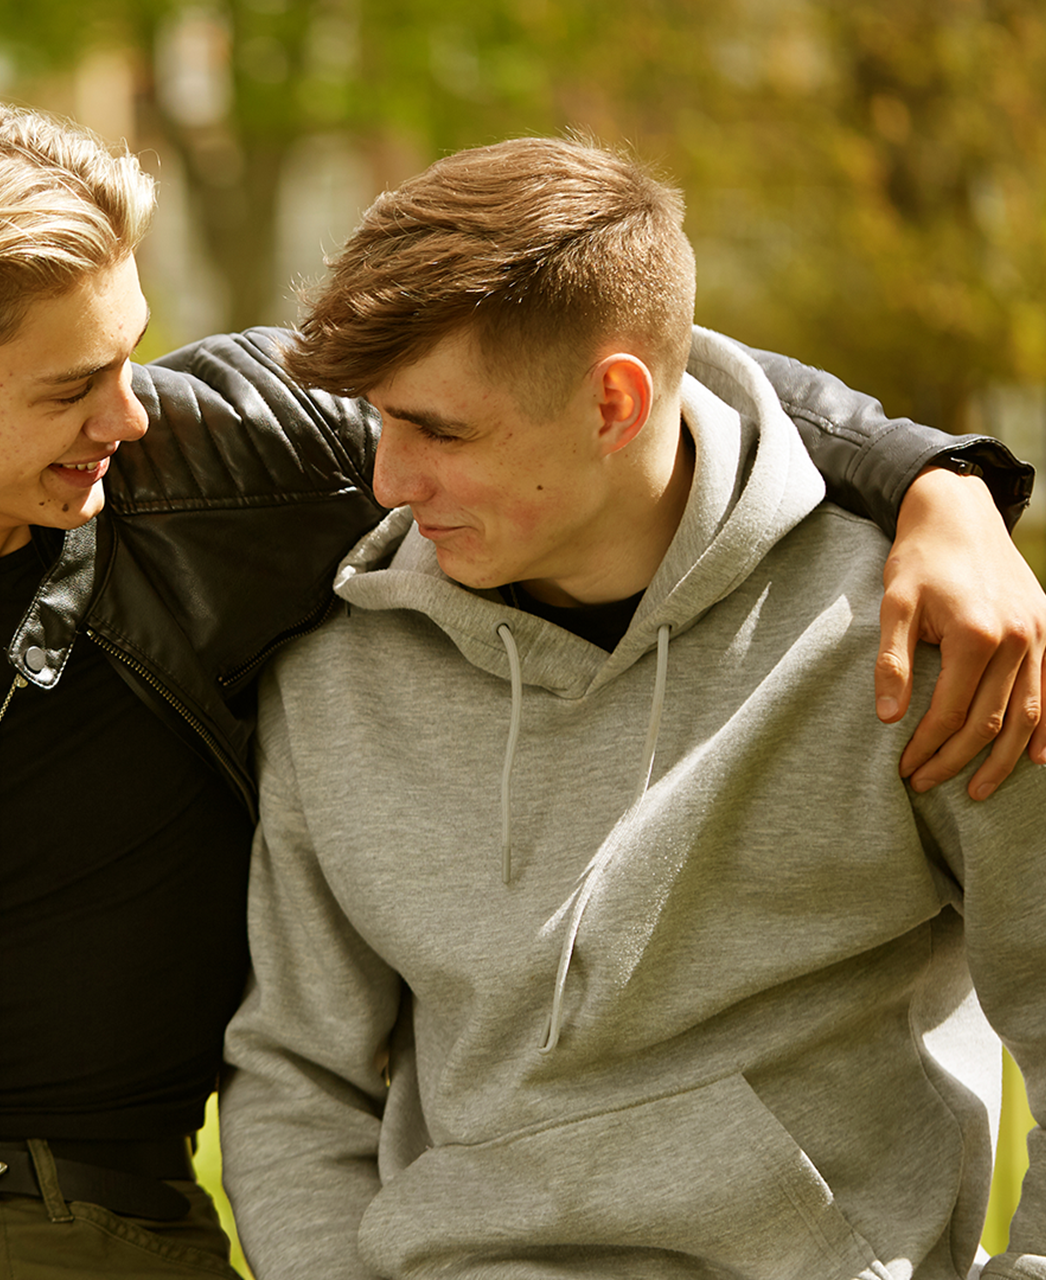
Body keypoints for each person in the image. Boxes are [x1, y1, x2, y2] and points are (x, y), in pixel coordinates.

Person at [0, 102, 1043, 1280]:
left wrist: (939, 484)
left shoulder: (224, 461)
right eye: (73, 386)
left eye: (133, 353)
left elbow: (594, 353)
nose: (132, 416)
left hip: (101, 1218)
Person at [220, 135, 1045, 1280]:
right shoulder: (337, 674)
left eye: (440, 431)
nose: (390, 482)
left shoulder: (910, 636)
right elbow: (294, 1076)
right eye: (382, 421)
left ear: (615, 400)